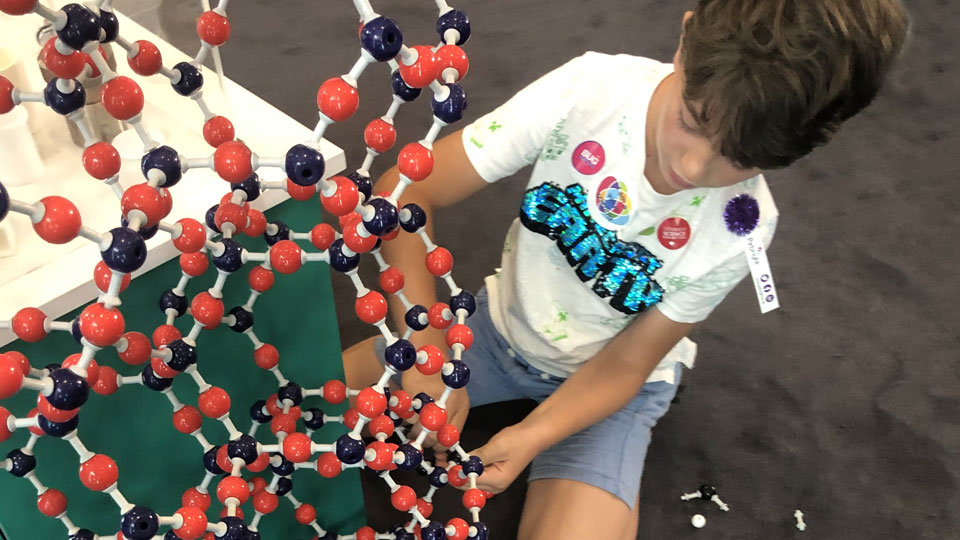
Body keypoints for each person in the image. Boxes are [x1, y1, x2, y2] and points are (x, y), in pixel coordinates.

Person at [343, 1, 909, 538]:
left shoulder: (745, 226)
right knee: (308, 402)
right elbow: (404, 192)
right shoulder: (590, 91)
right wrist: (427, 348)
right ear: (685, 40)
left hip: (613, 384)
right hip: (496, 332)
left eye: (741, 159)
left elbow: (630, 362)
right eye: (693, 120)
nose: (695, 167)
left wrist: (536, 434)